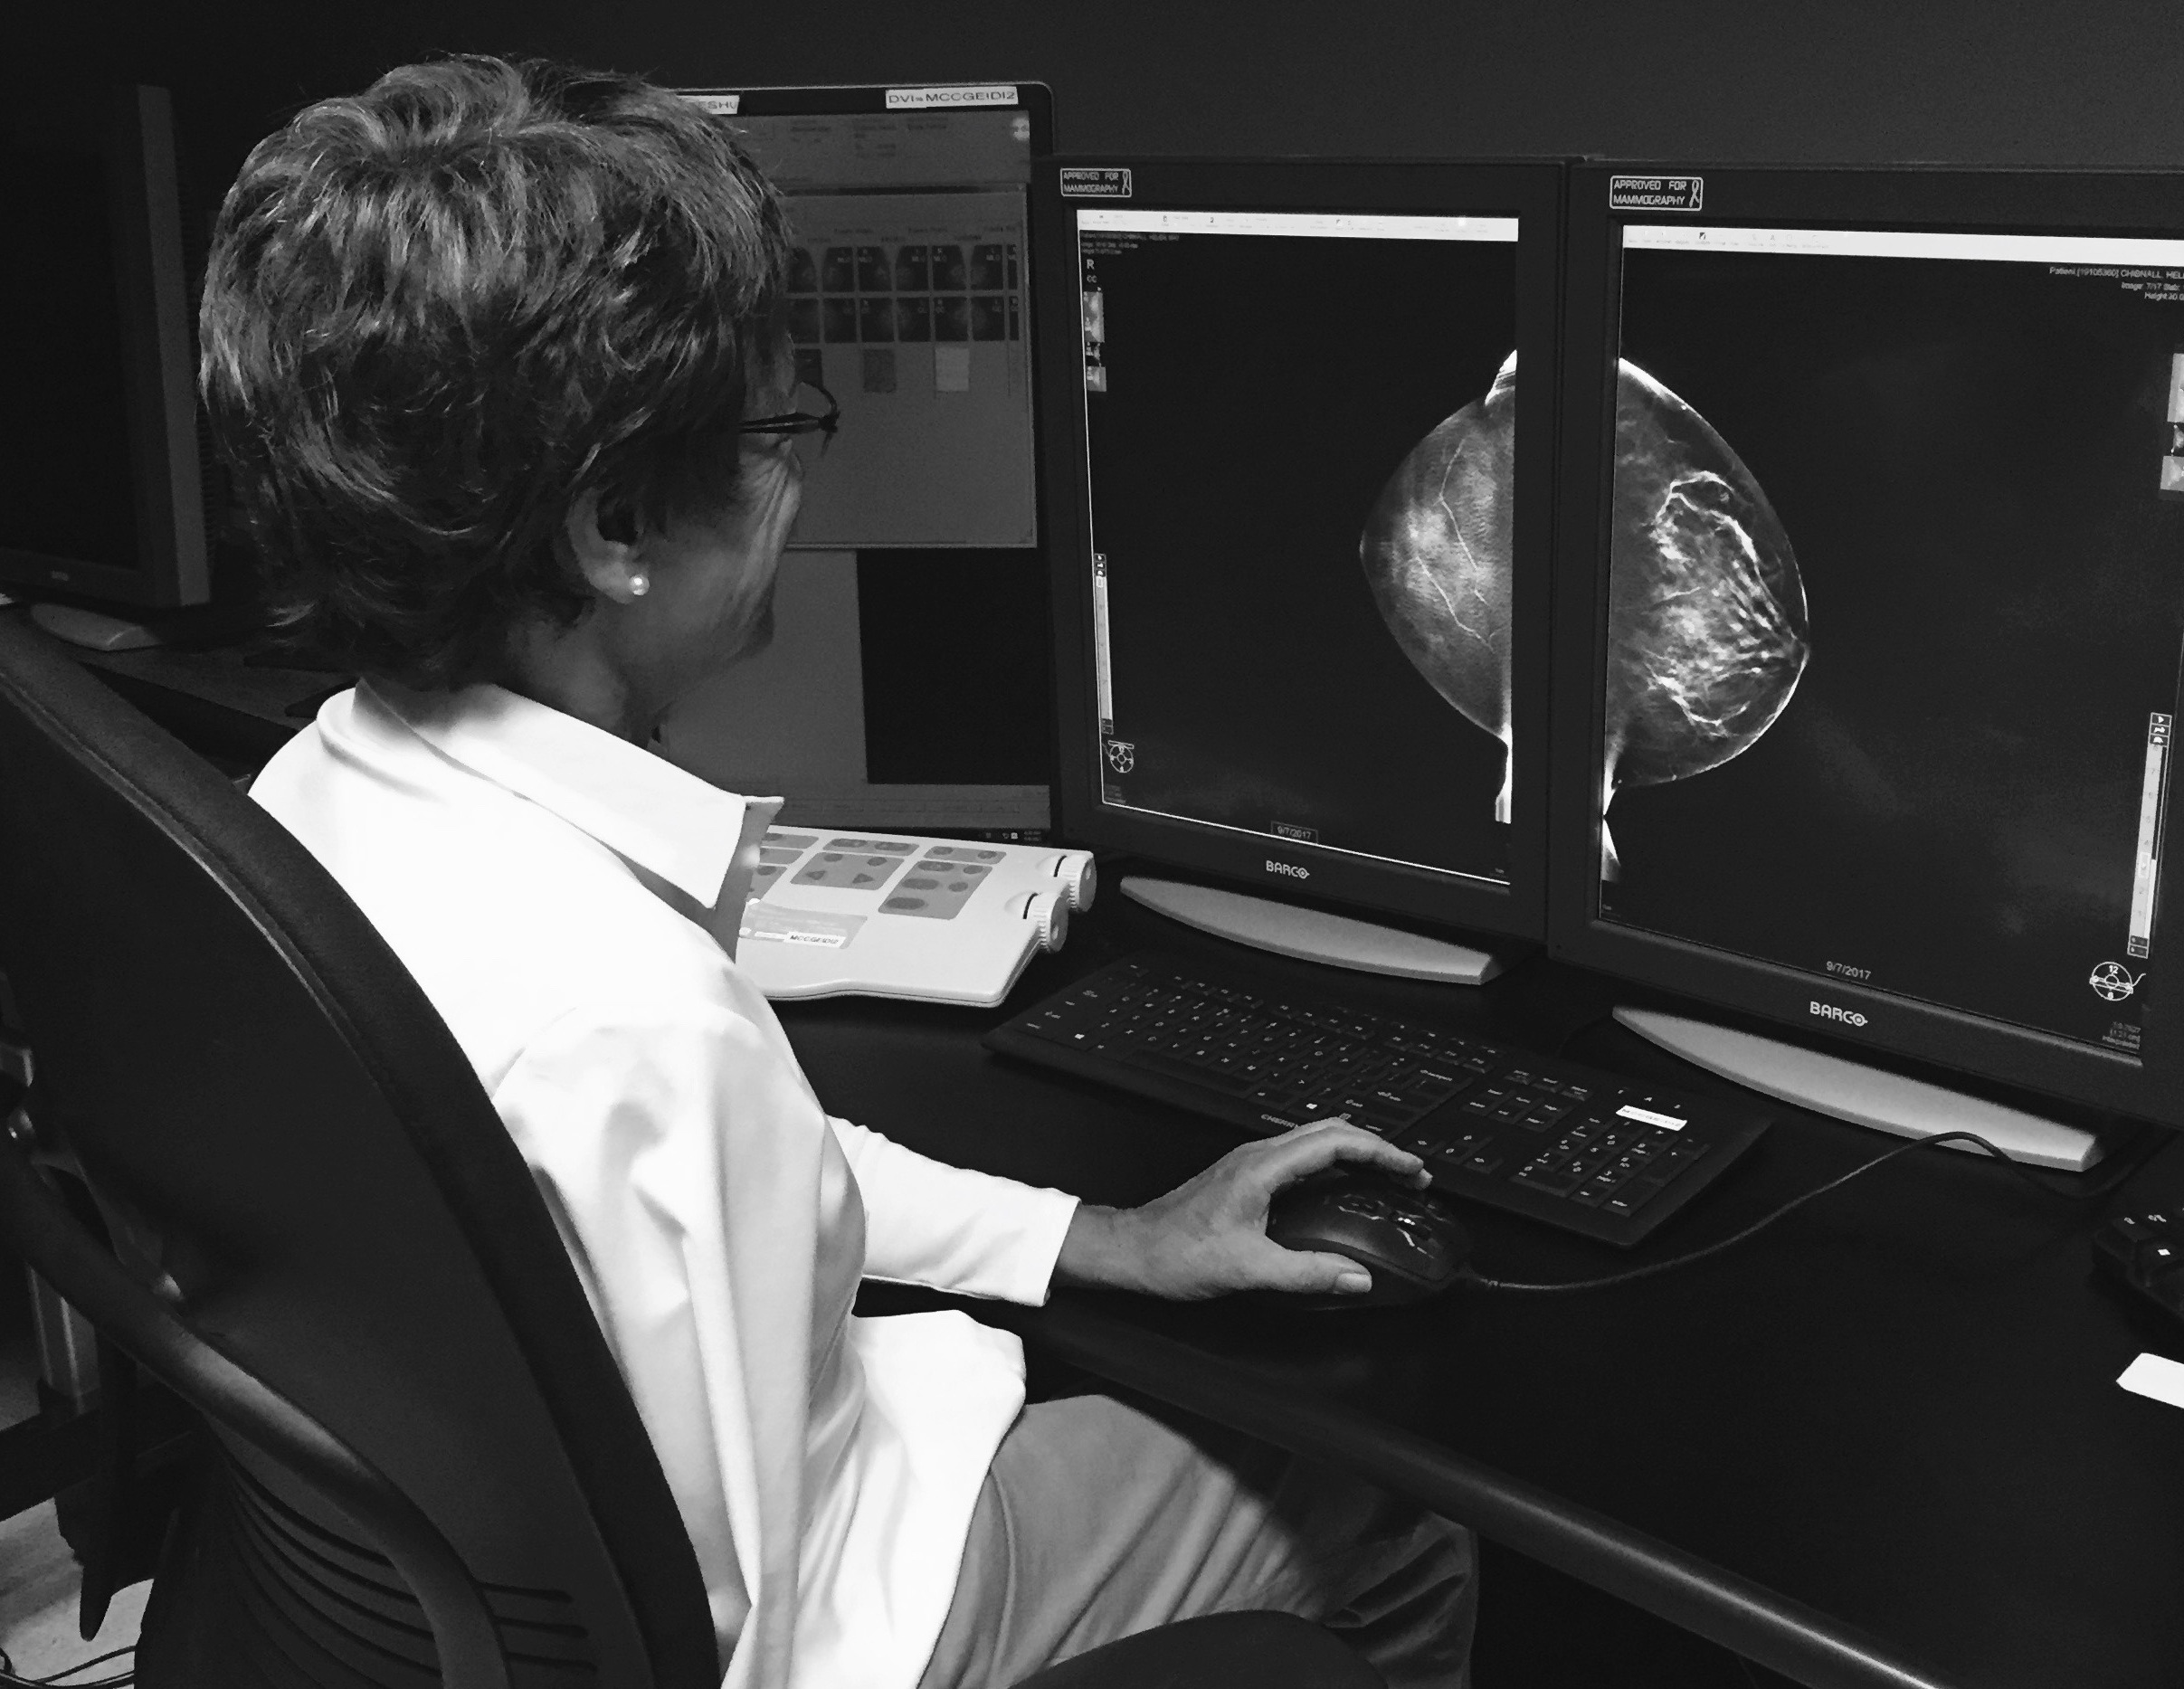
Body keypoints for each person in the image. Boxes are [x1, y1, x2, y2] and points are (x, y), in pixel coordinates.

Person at [198, 54, 1477, 1689]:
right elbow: (733, 1645)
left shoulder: (305, 800)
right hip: (830, 1626)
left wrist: (1101, 1238)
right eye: (778, 428)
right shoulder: (630, 1020)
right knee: (1390, 1530)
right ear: (614, 529)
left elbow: (740, 1181)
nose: (799, 477)